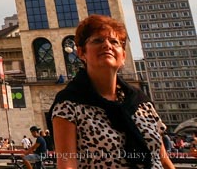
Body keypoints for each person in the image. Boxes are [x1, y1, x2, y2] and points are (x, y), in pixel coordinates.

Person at [50, 14, 176, 169]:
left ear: (123, 56)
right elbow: (67, 164)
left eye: (114, 42)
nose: (107, 45)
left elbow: (163, 159)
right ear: (82, 53)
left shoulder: (141, 102)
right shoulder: (68, 103)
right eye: (97, 40)